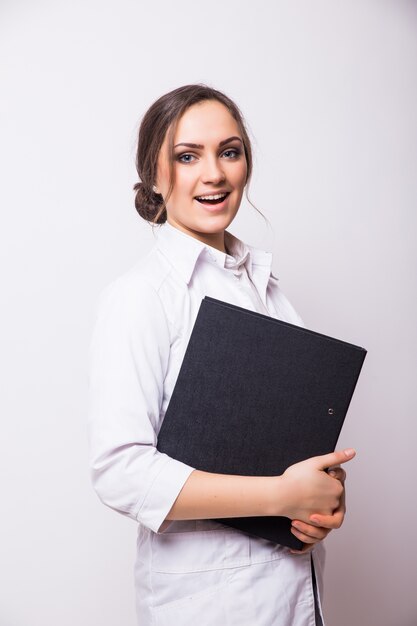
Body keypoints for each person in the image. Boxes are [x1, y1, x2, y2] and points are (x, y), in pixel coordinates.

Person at [87, 83, 355, 626]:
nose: (214, 173)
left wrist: (318, 503)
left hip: (294, 592)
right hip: (211, 604)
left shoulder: (270, 292)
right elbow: (121, 471)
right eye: (187, 157)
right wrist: (281, 496)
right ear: (156, 177)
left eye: (229, 152)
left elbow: (290, 445)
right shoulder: (140, 297)